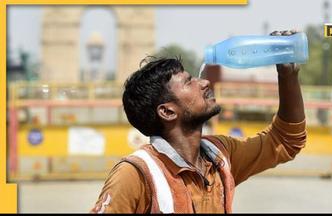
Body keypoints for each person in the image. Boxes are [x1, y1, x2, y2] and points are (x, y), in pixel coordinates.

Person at [91, 30, 307, 214]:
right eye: (188, 82)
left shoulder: (221, 156)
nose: (204, 82)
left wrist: (287, 76)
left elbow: (286, 141)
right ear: (167, 111)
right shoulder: (136, 175)